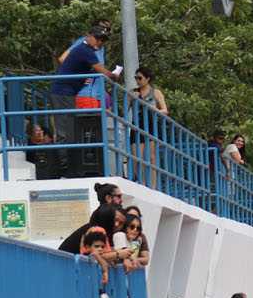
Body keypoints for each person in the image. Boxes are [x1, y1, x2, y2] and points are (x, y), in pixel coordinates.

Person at [49, 25, 121, 174]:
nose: (100, 42)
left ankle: (69, 166)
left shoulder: (86, 51)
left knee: (69, 130)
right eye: (97, 38)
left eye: (103, 40)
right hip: (63, 92)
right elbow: (102, 70)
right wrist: (114, 76)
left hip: (67, 92)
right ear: (88, 36)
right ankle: (65, 168)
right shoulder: (85, 50)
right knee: (65, 131)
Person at [58, 185, 126, 258]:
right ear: (108, 198)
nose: (116, 225)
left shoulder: (103, 227)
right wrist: (117, 255)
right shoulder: (97, 228)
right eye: (119, 196)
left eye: (121, 223)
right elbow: (95, 255)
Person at [129, 67, 168, 184]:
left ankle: (154, 186)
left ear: (147, 79)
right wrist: (131, 98)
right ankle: (142, 183)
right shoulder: (133, 92)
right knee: (137, 158)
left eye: (140, 78)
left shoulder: (156, 92)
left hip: (152, 125)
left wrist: (156, 110)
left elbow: (165, 110)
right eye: (136, 78)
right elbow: (125, 110)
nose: (137, 80)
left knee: (151, 158)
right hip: (137, 125)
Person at [111, 207, 150, 272]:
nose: (135, 230)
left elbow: (145, 260)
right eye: (132, 227)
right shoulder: (120, 235)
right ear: (126, 226)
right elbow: (123, 256)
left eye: (138, 228)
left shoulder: (131, 240)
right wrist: (133, 260)